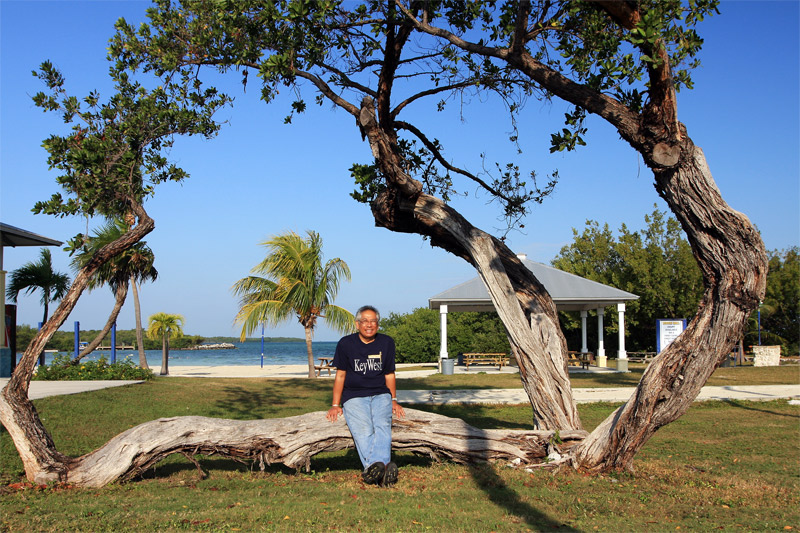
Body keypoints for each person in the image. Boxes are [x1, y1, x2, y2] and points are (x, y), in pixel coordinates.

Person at [326, 305, 405, 487]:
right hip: (353, 395)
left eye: (373, 321)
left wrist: (393, 400)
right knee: (363, 430)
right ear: (357, 324)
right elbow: (340, 375)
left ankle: (373, 470)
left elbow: (389, 374)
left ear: (378, 324)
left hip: (381, 394)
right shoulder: (346, 344)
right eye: (365, 321)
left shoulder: (387, 343)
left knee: (382, 427)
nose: (369, 325)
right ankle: (382, 470)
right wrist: (335, 404)